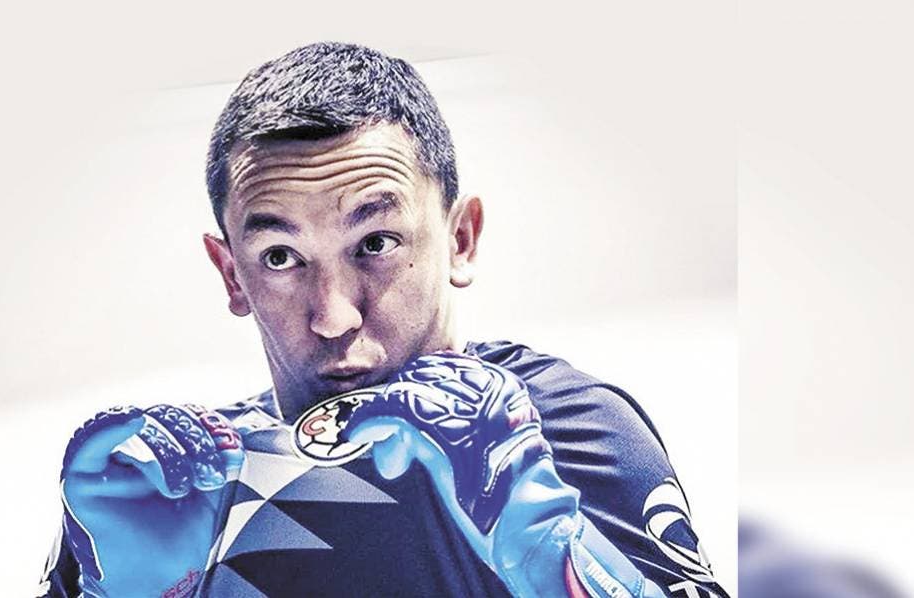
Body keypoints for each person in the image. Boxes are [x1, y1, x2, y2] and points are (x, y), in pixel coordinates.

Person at [38, 42, 730, 598]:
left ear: (460, 239)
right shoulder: (174, 479)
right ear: (231, 274)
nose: (334, 316)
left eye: (375, 243)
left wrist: (549, 552)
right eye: (280, 257)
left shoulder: (561, 425)